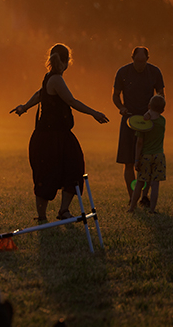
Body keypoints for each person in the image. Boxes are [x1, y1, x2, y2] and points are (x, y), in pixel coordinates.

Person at [11, 43, 109, 222]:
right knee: (47, 175)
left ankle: (62, 211)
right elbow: (71, 101)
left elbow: (39, 94)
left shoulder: (49, 77)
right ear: (66, 62)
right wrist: (94, 113)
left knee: (74, 168)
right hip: (50, 137)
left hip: (59, 136)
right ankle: (43, 216)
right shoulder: (56, 79)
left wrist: (24, 107)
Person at [112, 46, 165, 206]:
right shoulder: (123, 72)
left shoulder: (155, 72)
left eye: (143, 61)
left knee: (146, 161)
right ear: (132, 58)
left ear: (147, 59)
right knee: (129, 162)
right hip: (128, 120)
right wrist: (121, 108)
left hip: (148, 122)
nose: (140, 64)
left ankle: (144, 196)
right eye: (137, 61)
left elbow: (161, 95)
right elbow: (115, 95)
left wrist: (153, 112)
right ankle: (132, 196)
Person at [127, 95, 167, 214]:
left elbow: (139, 143)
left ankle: (132, 208)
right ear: (163, 110)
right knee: (155, 184)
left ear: (149, 106)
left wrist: (136, 160)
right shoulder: (163, 121)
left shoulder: (143, 124)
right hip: (159, 156)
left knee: (140, 182)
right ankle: (152, 210)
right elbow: (155, 118)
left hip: (145, 156)